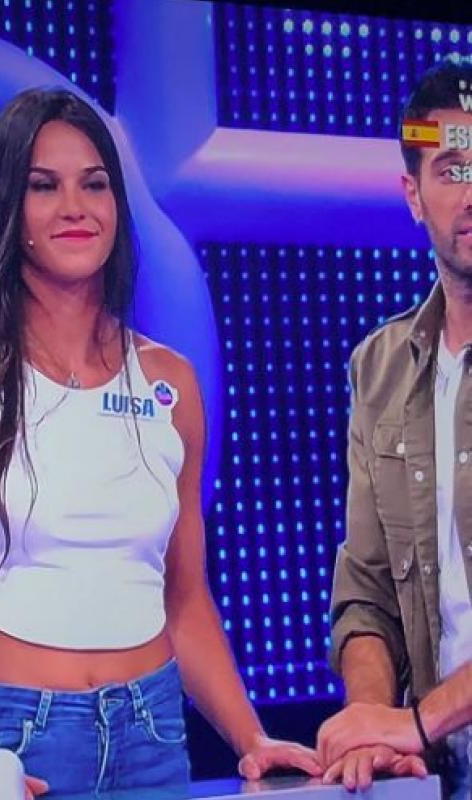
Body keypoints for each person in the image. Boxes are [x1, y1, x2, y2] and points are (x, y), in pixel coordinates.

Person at [0, 86, 319, 799]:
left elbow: (184, 601)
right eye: (45, 186)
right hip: (13, 739)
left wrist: (251, 738)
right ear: (9, 206)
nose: (75, 207)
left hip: (154, 736)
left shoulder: (169, 381)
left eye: (94, 184)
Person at [319, 58, 472, 796]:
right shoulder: (378, 369)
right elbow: (367, 591)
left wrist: (416, 722)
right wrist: (374, 724)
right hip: (441, 772)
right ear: (413, 195)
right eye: (452, 170)